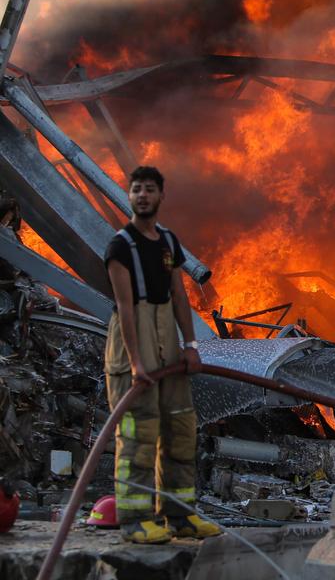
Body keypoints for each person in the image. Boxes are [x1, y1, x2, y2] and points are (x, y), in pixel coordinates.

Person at [103, 166, 220, 544]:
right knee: (139, 434)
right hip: (133, 334)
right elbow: (124, 307)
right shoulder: (120, 247)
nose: (142, 195)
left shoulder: (168, 242)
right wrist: (137, 363)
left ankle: (180, 515)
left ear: (160, 196)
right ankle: (136, 520)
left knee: (181, 428)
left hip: (168, 336)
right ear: (130, 196)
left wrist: (191, 345)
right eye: (136, 189)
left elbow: (179, 295)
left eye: (149, 189)